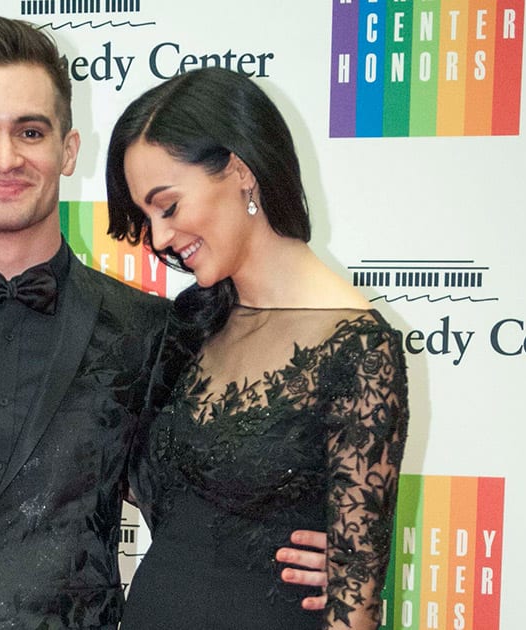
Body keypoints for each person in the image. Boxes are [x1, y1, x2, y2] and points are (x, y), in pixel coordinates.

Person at [0, 16, 326, 630]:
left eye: (30, 131)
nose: (4, 157)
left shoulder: (146, 330)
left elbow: (187, 501)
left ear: (67, 150)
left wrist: (293, 552)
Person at [106, 66, 410, 629]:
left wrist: (350, 563)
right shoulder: (190, 325)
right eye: (148, 217)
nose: (161, 239)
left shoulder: (358, 349)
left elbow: (353, 614)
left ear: (241, 172)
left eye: (168, 206)